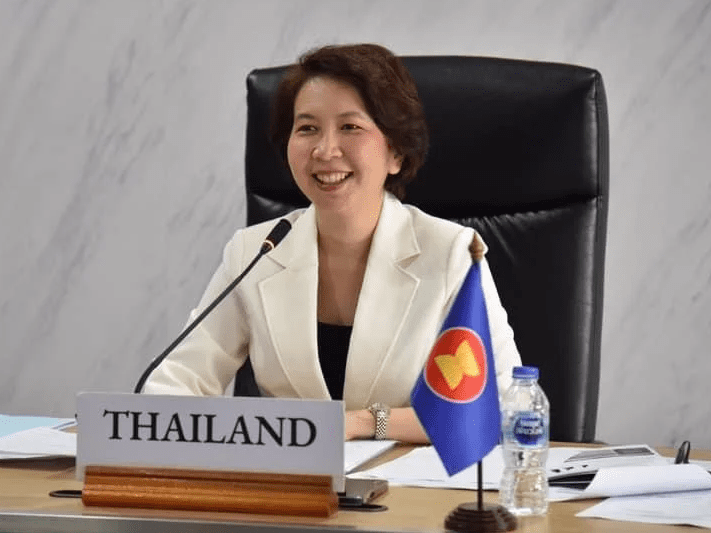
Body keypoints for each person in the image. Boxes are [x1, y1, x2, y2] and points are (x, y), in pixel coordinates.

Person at [142, 43, 521, 443]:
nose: (325, 150)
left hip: (406, 480)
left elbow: (501, 406)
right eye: (307, 128)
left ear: (395, 152)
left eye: (350, 127)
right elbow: (174, 384)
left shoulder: (451, 254)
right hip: (287, 478)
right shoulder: (256, 252)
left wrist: (363, 423)